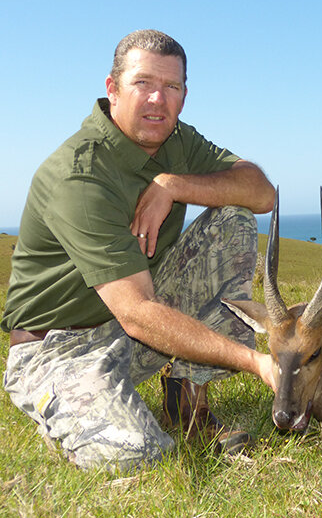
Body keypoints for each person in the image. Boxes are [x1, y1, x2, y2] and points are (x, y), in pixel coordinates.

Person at [1, 29, 277, 471]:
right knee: (136, 455)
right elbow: (137, 312)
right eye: (143, 83)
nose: (157, 100)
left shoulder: (177, 142)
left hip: (127, 329)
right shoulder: (80, 176)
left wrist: (173, 184)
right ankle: (66, 404)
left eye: (171, 87)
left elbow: (262, 194)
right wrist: (256, 362)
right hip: (58, 347)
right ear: (112, 89)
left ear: (184, 97)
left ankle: (188, 401)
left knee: (233, 219)